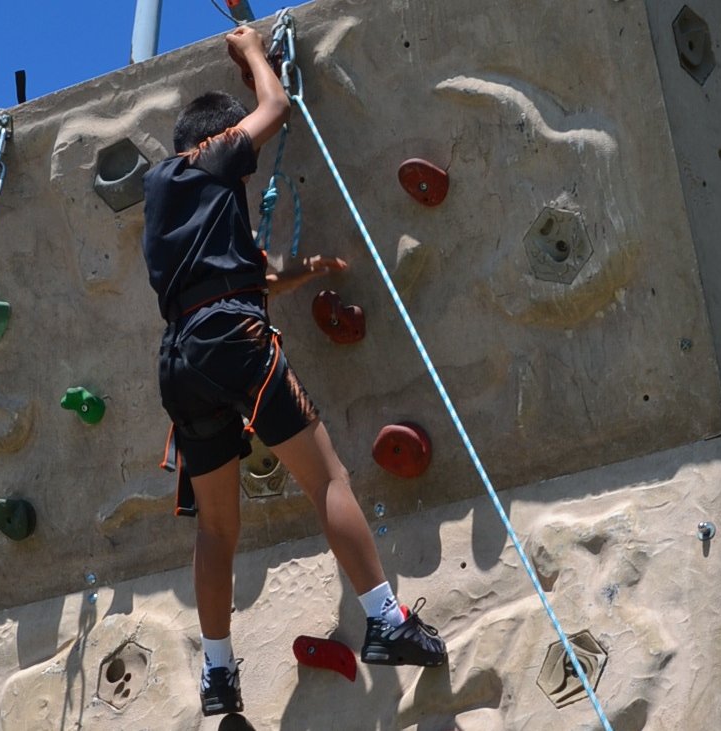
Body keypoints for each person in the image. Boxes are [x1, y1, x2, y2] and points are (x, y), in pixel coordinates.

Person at [141, 25, 449, 718]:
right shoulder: (207, 160)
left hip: (182, 359)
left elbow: (229, 279)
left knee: (218, 527)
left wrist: (303, 273)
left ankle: (218, 672)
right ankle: (385, 618)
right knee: (328, 477)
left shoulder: (165, 198)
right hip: (232, 339)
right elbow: (276, 111)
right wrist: (254, 57)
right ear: (219, 140)